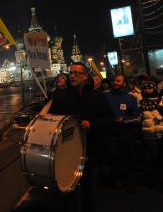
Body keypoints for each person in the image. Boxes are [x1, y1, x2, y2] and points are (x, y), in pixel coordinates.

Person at [47, 62, 114, 212]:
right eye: (71, 73)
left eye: (77, 73)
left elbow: (110, 119)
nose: (73, 76)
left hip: (91, 151)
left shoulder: (97, 95)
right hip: (67, 152)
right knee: (65, 191)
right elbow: (52, 120)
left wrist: (92, 123)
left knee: (88, 192)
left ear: (86, 76)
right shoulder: (61, 96)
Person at [104, 74, 141, 193]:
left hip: (126, 132)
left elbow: (138, 116)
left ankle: (130, 181)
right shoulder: (106, 95)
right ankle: (117, 179)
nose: (115, 83)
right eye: (114, 81)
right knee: (114, 156)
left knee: (129, 157)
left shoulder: (131, 97)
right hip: (111, 133)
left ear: (124, 83)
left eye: (118, 81)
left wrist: (124, 120)